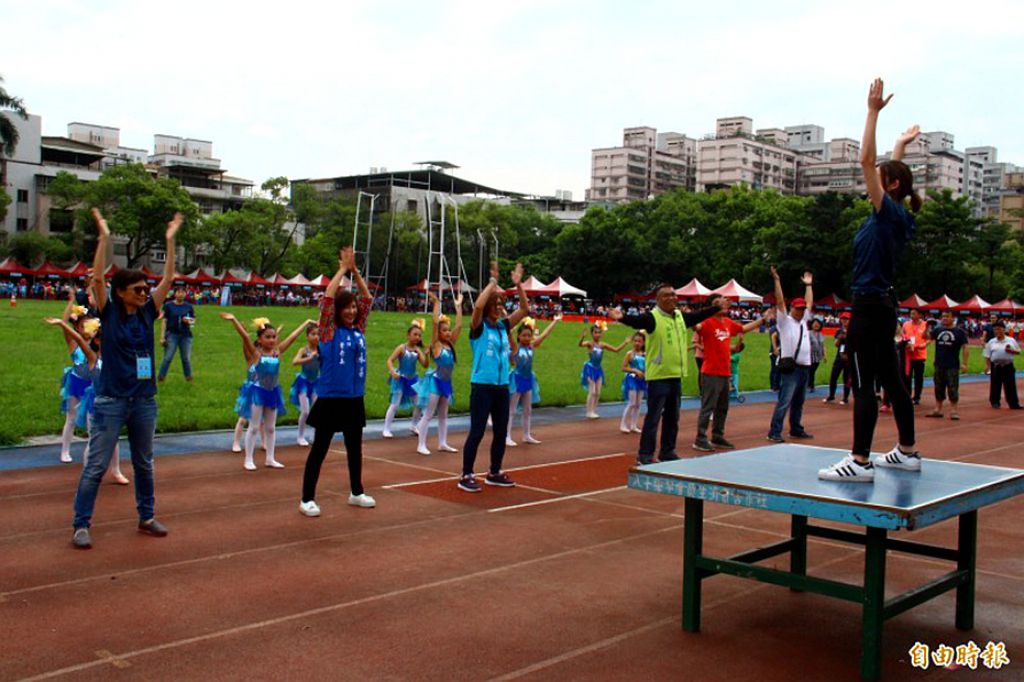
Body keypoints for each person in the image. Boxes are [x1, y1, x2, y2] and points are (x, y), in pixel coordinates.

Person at [819, 78, 922, 482]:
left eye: (881, 179)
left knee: (861, 380)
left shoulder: (887, 213)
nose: (872, 182)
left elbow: (866, 162)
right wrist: (899, 146)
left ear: (890, 186)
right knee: (893, 381)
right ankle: (908, 451)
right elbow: (890, 172)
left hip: (870, 305)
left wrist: (873, 113)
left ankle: (859, 461)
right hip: (883, 304)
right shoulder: (898, 214)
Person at [71, 208, 182, 549]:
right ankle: (81, 524)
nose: (144, 292)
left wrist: (170, 240)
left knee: (144, 463)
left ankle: (146, 517)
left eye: (145, 288)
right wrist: (104, 237)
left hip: (143, 401)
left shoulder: (148, 312)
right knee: (96, 465)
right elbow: (98, 278)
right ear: (120, 291)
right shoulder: (109, 312)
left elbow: (169, 278)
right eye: (137, 288)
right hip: (110, 401)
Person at [300, 247, 376, 516]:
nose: (352, 311)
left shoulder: (358, 330)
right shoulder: (329, 332)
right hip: (332, 398)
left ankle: (356, 491)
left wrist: (356, 271)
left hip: (354, 398)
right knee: (320, 448)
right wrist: (342, 270)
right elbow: (329, 298)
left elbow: (368, 299)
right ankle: (307, 498)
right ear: (338, 311)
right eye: (348, 307)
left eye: (354, 307)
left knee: (355, 449)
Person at [609, 285, 722, 464]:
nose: (673, 298)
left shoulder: (679, 317)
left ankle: (667, 451)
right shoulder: (653, 318)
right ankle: (645, 454)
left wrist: (716, 308)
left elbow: (697, 316)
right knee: (653, 417)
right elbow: (638, 321)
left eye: (674, 295)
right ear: (659, 299)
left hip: (675, 375)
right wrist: (622, 317)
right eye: (668, 295)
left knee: (672, 417)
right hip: (659, 376)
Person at [457, 262, 529, 493]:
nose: (499, 308)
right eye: (495, 304)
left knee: (500, 431)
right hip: (482, 386)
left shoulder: (502, 327)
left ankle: (494, 471)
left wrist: (518, 286)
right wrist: (492, 284)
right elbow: (477, 307)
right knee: (477, 431)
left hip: (501, 386)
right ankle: (466, 473)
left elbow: (525, 310)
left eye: (501, 304)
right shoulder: (479, 328)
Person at [220, 312, 312, 471]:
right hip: (258, 392)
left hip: (273, 392)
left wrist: (306, 322)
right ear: (260, 340)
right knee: (254, 426)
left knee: (270, 428)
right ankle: (248, 459)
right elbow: (245, 337)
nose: (271, 340)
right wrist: (234, 320)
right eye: (267, 337)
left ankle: (270, 458)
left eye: (274, 337)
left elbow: (292, 337)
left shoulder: (277, 352)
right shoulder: (256, 354)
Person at [767, 268, 815, 443]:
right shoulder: (785, 322)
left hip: (804, 367)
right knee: (785, 401)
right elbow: (780, 301)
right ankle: (774, 431)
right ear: (792, 308)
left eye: (802, 309)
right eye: (798, 308)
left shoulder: (803, 321)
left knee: (798, 402)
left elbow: (809, 302)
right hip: (791, 368)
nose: (801, 311)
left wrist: (809, 285)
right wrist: (777, 281)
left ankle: (795, 428)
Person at [415, 291, 464, 455]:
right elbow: (435, 323)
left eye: (448, 330)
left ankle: (443, 443)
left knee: (444, 415)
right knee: (428, 414)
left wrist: (458, 308)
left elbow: (459, 326)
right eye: (445, 331)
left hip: (446, 383)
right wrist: (436, 304)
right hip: (435, 382)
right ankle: (421, 444)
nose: (448, 333)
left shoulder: (451, 345)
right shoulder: (437, 345)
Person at [507, 314, 560, 447]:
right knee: (511, 410)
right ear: (519, 336)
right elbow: (508, 335)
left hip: (528, 379)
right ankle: (506, 436)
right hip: (517, 378)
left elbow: (545, 334)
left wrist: (555, 321)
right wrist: (507, 323)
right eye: (523, 335)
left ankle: (526, 435)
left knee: (527, 409)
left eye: (528, 335)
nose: (526, 338)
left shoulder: (531, 346)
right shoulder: (515, 347)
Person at [55, 290, 95, 463]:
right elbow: (64, 323)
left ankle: (92, 452)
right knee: (71, 418)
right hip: (77, 383)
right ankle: (65, 450)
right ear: (77, 328)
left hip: (92, 384)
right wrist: (71, 301)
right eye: (83, 326)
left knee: (91, 422)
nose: (88, 329)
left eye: (91, 325)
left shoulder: (97, 343)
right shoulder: (73, 343)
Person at [381, 321, 428, 438]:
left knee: (419, 403)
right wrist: (392, 371)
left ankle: (413, 425)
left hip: (413, 379)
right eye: (415, 334)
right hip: (400, 379)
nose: (417, 337)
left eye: (419, 335)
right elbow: (390, 360)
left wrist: (426, 355)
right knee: (395, 404)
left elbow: (425, 365)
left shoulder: (417, 350)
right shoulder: (402, 348)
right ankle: (386, 428)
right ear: (408, 335)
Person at [579, 321, 629, 419]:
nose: (597, 334)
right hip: (590, 368)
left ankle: (593, 410)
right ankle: (588, 411)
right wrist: (583, 336)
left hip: (598, 369)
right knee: (592, 391)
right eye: (595, 332)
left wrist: (625, 343)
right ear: (592, 333)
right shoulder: (590, 344)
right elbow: (580, 344)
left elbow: (616, 350)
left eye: (599, 332)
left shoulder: (602, 345)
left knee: (598, 392)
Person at [925, 310, 969, 420]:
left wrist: (964, 363)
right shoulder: (938, 330)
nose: (944, 318)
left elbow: (965, 348)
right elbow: (926, 337)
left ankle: (954, 410)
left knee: (952, 387)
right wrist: (927, 326)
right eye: (943, 316)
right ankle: (938, 409)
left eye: (947, 316)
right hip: (939, 364)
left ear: (953, 318)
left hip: (952, 365)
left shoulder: (959, 332)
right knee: (938, 387)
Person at [289, 323, 320, 446]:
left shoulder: (321, 350)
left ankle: (314, 434)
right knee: (306, 411)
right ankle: (300, 436)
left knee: (317, 410)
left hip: (316, 382)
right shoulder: (304, 350)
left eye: (318, 334)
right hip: (303, 383)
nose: (316, 337)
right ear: (307, 336)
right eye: (313, 334)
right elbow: (295, 362)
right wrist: (309, 358)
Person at [157, 286, 196, 382]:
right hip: (172, 334)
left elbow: (193, 320)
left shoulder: (189, 306)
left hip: (186, 335)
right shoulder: (168, 305)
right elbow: (164, 321)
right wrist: (162, 337)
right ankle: (161, 377)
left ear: (185, 294)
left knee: (186, 358)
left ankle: (189, 377)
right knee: (168, 357)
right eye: (178, 292)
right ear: (175, 294)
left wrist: (188, 321)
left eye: (183, 292)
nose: (180, 294)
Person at [983, 320, 1021, 409]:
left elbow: (1018, 351)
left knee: (1010, 385)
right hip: (996, 366)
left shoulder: (1011, 340)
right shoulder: (991, 342)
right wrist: (987, 366)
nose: (997, 331)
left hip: (1008, 365)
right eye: (995, 330)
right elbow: (987, 355)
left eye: (999, 329)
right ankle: (995, 402)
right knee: (995, 384)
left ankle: (1013, 403)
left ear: (1004, 329)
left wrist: (1012, 351)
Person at [620, 332, 647, 434]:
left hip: (641, 380)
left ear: (643, 343)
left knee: (638, 403)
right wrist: (635, 371)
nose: (637, 343)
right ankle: (623, 424)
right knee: (632, 403)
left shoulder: (645, 354)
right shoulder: (629, 354)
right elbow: (623, 367)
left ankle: (633, 425)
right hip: (632, 379)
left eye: (639, 341)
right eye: (635, 341)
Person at [901, 308, 929, 405]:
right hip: (908, 355)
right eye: (911, 313)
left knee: (918, 377)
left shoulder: (925, 325)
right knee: (906, 377)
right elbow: (902, 336)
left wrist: (923, 345)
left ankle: (917, 397)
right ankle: (907, 395)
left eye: (914, 313)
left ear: (920, 315)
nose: (911, 315)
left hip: (920, 355)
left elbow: (929, 339)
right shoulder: (906, 324)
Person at [824, 312, 852, 404]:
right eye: (843, 318)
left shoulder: (854, 331)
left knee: (846, 378)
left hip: (849, 357)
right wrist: (840, 338)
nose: (844, 320)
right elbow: (836, 344)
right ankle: (831, 395)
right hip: (839, 356)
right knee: (833, 376)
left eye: (846, 319)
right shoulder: (839, 331)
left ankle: (845, 398)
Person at [807, 318, 826, 393]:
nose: (816, 325)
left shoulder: (821, 334)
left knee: (813, 371)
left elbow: (823, 345)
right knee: (810, 371)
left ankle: (809, 384)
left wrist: (825, 355)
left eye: (818, 324)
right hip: (810, 355)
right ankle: (811, 385)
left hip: (818, 356)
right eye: (814, 324)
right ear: (811, 325)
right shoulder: (808, 333)